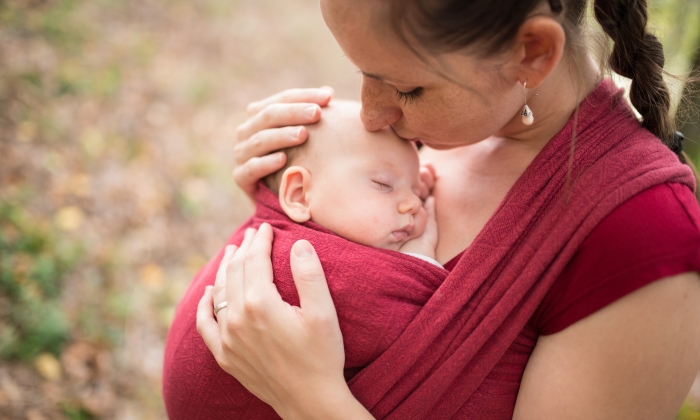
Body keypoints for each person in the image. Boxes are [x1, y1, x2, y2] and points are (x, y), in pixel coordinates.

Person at [173, 0, 700, 418]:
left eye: (406, 87)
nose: (373, 115)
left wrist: (308, 398)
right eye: (361, 71)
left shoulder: (646, 236)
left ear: (532, 53)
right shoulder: (431, 133)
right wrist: (275, 215)